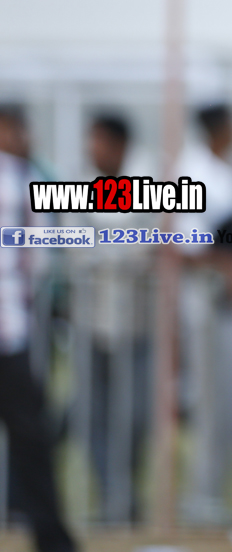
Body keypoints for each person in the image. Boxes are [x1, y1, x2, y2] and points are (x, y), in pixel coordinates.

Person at [68, 113, 155, 522]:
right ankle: (113, 496)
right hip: (89, 321)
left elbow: (147, 245)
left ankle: (124, 491)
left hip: (136, 323)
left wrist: (109, 254)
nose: (92, 149)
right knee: (91, 414)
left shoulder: (146, 187)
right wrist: (114, 254)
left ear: (120, 146)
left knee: (135, 416)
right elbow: (75, 248)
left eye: (100, 141)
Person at [0, 105, 77, 552]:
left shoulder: (26, 176)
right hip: (11, 329)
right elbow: (41, 255)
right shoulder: (21, 178)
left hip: (13, 330)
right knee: (32, 440)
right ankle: (51, 538)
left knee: (31, 438)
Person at [176, 103, 232, 521]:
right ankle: (202, 496)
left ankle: (214, 493)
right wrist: (227, 267)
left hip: (224, 302)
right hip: (203, 297)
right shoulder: (194, 171)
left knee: (229, 403)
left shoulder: (224, 170)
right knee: (207, 401)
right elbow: (186, 245)